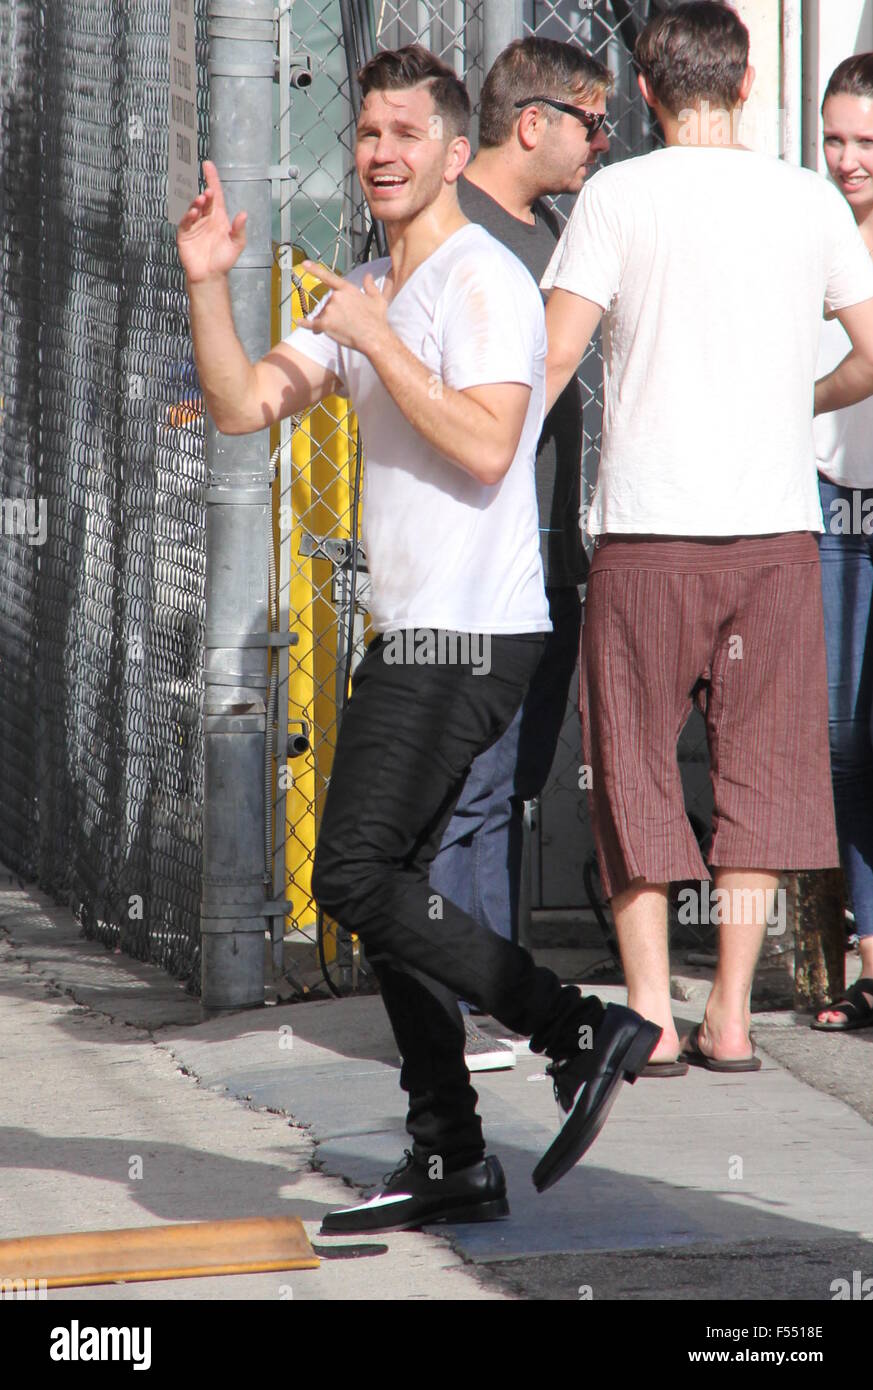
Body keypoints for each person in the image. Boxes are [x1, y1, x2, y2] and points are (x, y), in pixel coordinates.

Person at [177, 44, 661, 1234]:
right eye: (368, 134)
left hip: (470, 635)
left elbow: (492, 446)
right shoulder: (360, 286)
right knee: (387, 889)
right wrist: (205, 283)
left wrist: (381, 343)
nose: (381, 153)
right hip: (418, 633)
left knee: (350, 872)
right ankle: (450, 1148)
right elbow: (246, 407)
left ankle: (573, 1024)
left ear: (456, 151)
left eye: (405, 134)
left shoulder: (483, 281)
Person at [540, 1, 873, 1074]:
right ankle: (731, 1013)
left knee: (630, 766)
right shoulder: (809, 201)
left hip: (647, 533)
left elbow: (551, 361)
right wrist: (801, 399)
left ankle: (650, 1008)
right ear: (744, 86)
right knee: (764, 773)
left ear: (643, 94)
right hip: (775, 533)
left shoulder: (615, 197)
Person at [427, 37, 611, 1074]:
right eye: (590, 120)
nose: (599, 141)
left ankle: (482, 983)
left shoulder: (553, 233)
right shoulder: (458, 236)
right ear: (531, 122)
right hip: (481, 564)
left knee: (514, 782)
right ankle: (471, 994)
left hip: (551, 558)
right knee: (474, 783)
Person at [812, 54, 873, 1034]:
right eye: (835, 141)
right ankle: (867, 949)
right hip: (828, 504)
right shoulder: (811, 232)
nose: (849, 159)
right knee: (837, 738)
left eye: (867, 142)